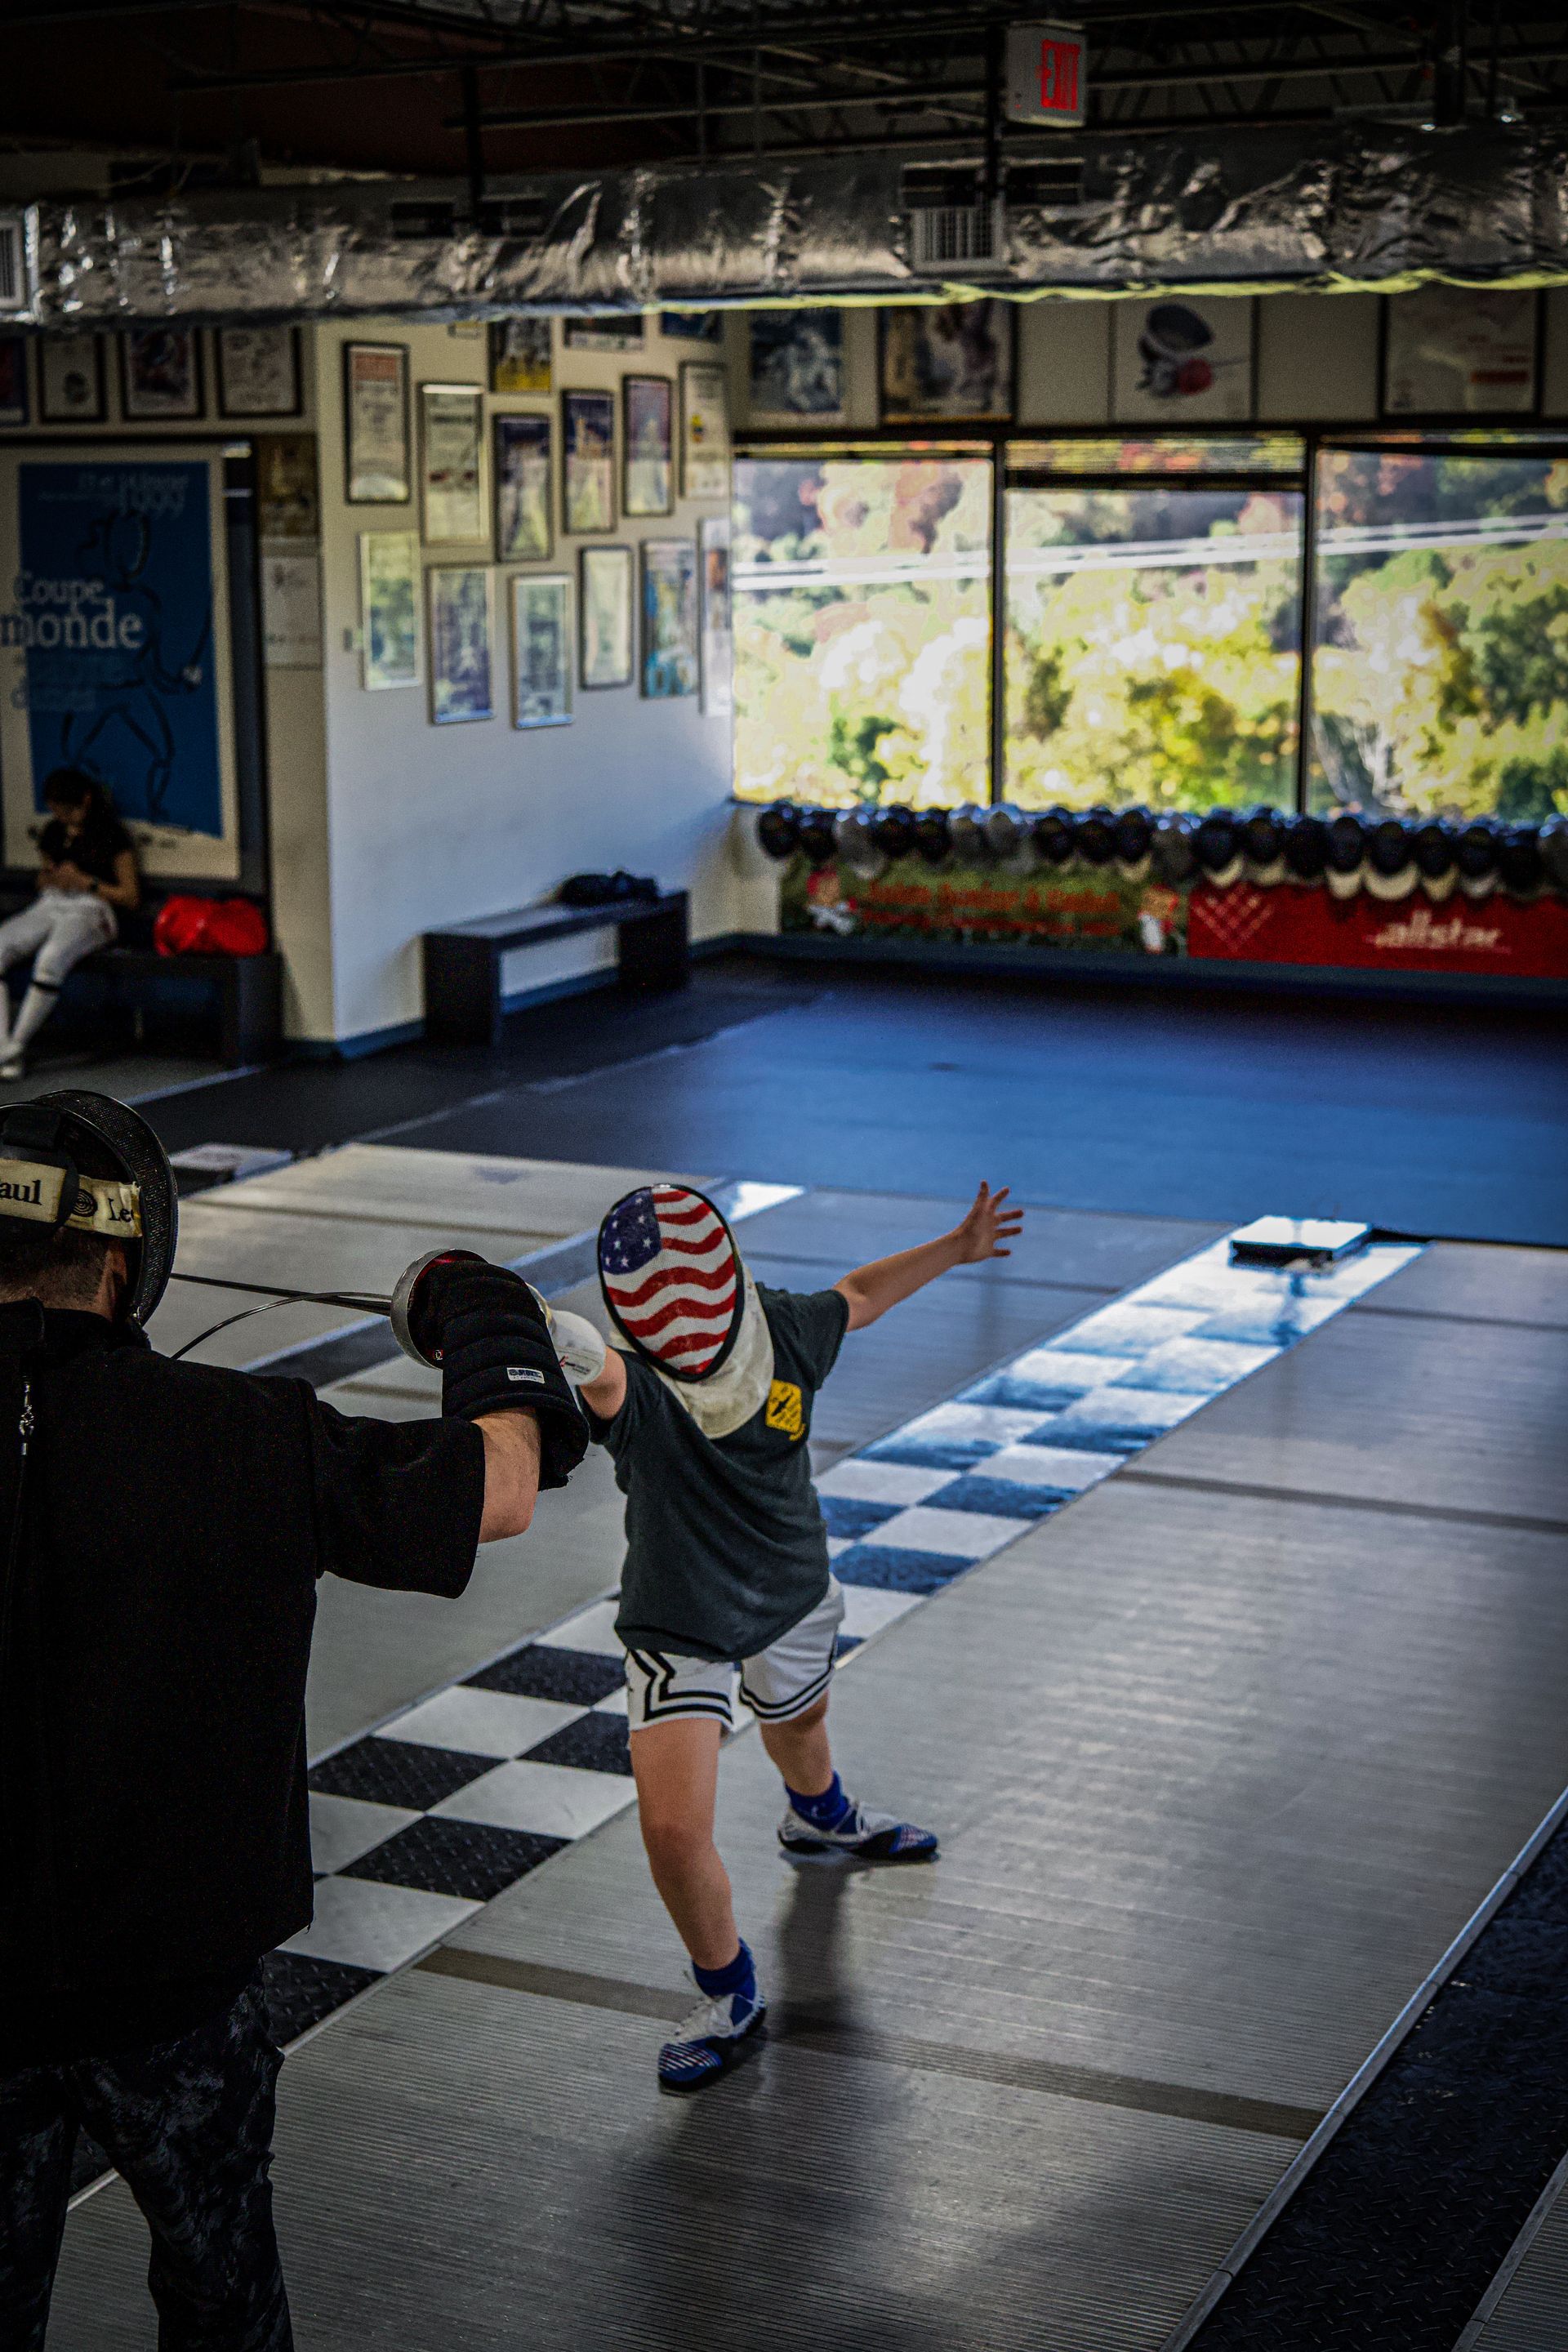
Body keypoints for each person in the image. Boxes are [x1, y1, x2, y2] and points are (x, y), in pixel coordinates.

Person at [0, 1091, 589, 2350]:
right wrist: (487, 1312)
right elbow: (496, 1488)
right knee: (222, 2304)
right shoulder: (243, 1436)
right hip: (179, 1999)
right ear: (121, 1259)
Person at [555, 1178, 1024, 2094]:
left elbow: (860, 1296)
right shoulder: (634, 1383)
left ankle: (821, 1818)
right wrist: (525, 1320)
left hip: (790, 1588)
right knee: (672, 1830)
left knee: (798, 1730)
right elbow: (595, 1371)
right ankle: (727, 1992)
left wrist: (956, 1247)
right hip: (679, 1619)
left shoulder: (787, 1328)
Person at [0, 769, 140, 1082]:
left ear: (84, 801)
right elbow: (42, 877)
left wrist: (85, 882)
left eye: (65, 808)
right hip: (52, 903)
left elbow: (130, 896)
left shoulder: (111, 835)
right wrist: (50, 878)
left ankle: (15, 1047)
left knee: (50, 959)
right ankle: (4, 1048)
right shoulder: (53, 832)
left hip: (91, 909)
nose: (60, 815)